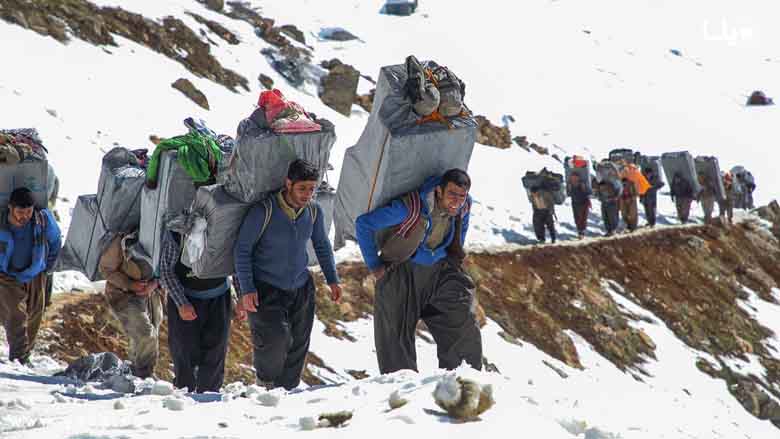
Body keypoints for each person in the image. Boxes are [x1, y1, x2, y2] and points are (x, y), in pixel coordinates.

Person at [355, 169, 482, 374]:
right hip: (402, 271)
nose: (457, 201)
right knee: (395, 341)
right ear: (439, 191)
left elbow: (461, 228)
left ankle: (463, 381)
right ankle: (403, 392)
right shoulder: (410, 208)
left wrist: (453, 254)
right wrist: (374, 265)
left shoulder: (463, 207)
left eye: (462, 195)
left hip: (440, 271)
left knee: (462, 320)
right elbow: (364, 224)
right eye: (452, 194)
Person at [234, 159, 341, 390]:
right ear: (288, 183)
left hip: (301, 287)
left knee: (299, 345)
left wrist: (333, 279)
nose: (307, 194)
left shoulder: (313, 211)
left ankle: (289, 393)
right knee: (275, 340)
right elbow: (242, 251)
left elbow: (322, 245)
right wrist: (246, 289)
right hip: (265, 288)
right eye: (302, 188)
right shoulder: (264, 211)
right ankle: (265, 385)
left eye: (312, 189)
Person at [160, 196, 238, 393]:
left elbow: (235, 263)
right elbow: (166, 271)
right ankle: (182, 398)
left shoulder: (223, 231)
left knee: (215, 353)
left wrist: (243, 295)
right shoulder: (176, 232)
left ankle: (209, 398)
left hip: (218, 297)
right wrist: (181, 303)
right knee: (184, 353)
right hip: (186, 297)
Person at [0, 188, 61, 364]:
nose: (24, 216)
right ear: (11, 208)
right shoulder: (1, 222)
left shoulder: (42, 219)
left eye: (28, 212)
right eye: (20, 212)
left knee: (34, 314)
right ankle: (19, 358)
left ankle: (26, 353)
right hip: (6, 276)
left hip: (35, 273)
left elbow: (55, 241)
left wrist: (47, 268)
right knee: (16, 315)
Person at [98, 230, 163, 378]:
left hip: (150, 293)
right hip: (123, 295)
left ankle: (136, 372)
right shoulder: (122, 240)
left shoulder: (163, 235)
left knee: (149, 336)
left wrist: (154, 283)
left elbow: (168, 265)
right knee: (145, 334)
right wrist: (130, 284)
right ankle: (144, 375)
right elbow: (106, 269)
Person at [568, 173, 591, 239]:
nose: (573, 179)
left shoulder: (582, 184)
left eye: (575, 178)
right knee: (577, 218)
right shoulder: (570, 185)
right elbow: (569, 193)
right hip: (575, 204)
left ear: (578, 178)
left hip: (583, 203)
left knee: (583, 218)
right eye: (572, 178)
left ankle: (582, 232)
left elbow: (588, 192)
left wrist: (584, 188)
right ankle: (579, 232)